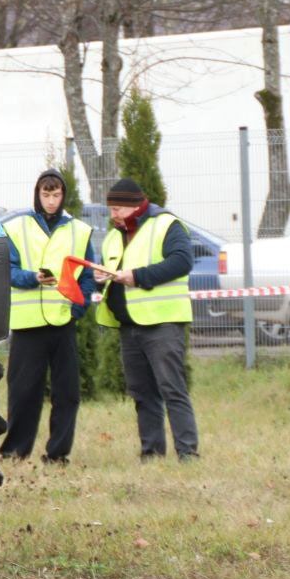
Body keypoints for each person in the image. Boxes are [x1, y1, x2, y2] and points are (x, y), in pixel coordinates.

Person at [93, 177, 200, 461]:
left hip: (163, 323)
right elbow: (115, 273)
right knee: (142, 394)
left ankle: (187, 452)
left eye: (117, 208)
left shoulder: (166, 225)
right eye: (111, 209)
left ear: (134, 205)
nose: (113, 214)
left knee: (172, 389)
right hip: (129, 327)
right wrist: (101, 279)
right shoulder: (115, 235)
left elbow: (182, 262)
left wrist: (138, 277)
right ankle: (151, 452)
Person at [0, 168, 96, 464]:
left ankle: (58, 454)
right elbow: (8, 270)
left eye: (56, 195)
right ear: (37, 195)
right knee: (23, 393)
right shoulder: (17, 228)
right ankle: (15, 451)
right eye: (46, 194)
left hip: (62, 322)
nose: (52, 201)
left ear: (63, 196)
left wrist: (77, 310)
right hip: (28, 325)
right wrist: (32, 278)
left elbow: (87, 275)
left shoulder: (79, 231)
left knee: (67, 394)